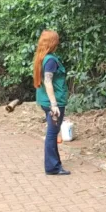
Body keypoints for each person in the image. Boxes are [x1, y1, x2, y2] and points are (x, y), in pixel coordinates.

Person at [34, 30, 70, 176]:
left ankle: (54, 163)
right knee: (52, 133)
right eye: (57, 40)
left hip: (46, 100)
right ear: (52, 43)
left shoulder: (42, 57)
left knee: (52, 131)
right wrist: (54, 104)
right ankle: (52, 167)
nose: (58, 42)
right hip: (53, 103)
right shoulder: (50, 60)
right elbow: (48, 82)